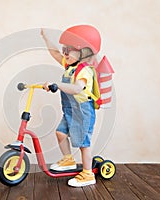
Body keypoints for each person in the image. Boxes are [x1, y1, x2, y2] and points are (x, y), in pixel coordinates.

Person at [41, 25, 101, 187]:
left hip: (83, 111)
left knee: (83, 143)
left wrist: (57, 85)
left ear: (84, 52)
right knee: (61, 133)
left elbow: (76, 89)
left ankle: (88, 174)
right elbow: (55, 54)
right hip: (70, 110)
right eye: (64, 49)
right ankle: (68, 160)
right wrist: (46, 38)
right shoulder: (70, 66)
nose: (65, 53)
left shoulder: (84, 71)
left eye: (69, 50)